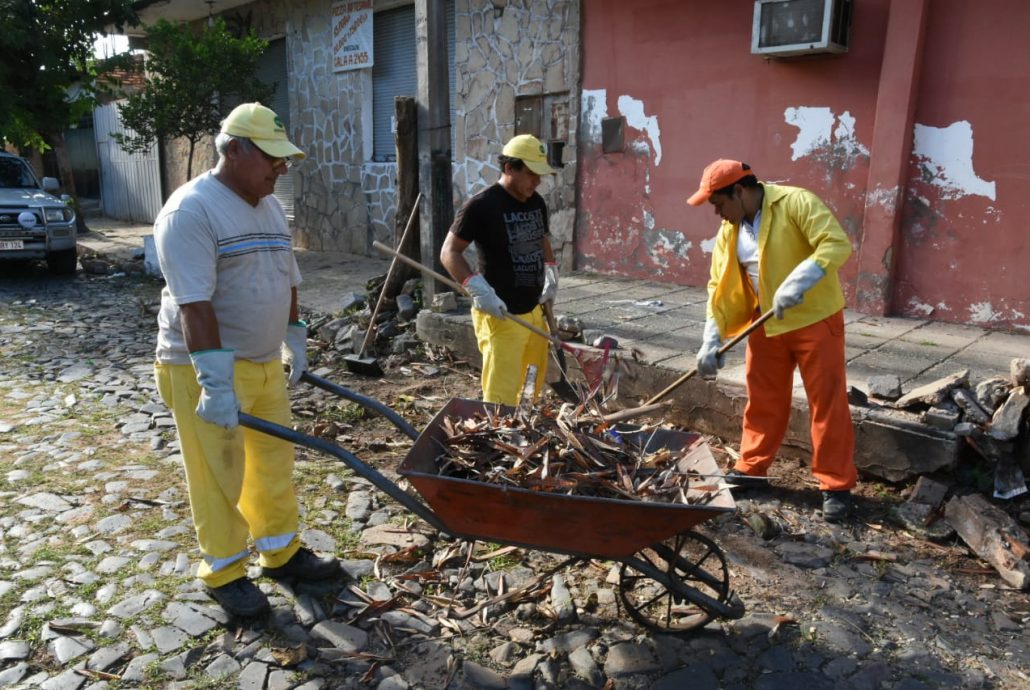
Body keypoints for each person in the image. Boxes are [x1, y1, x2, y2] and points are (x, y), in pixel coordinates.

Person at [153, 102, 340, 617]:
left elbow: (287, 277)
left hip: (261, 361)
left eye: (284, 159)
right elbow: (194, 305)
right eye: (271, 157)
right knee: (219, 473)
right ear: (234, 150)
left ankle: (280, 552)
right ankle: (224, 571)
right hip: (202, 365)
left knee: (273, 461)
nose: (280, 168)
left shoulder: (269, 205)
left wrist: (294, 336)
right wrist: (215, 385)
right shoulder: (191, 212)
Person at [687, 159, 857, 522]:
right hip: (764, 322)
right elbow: (718, 285)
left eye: (719, 204)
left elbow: (835, 243)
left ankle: (836, 485)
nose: (718, 214)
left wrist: (801, 279)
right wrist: (711, 338)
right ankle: (752, 469)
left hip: (815, 319)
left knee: (826, 404)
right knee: (763, 399)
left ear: (739, 191)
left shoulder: (797, 202)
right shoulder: (730, 230)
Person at [440, 134, 559, 405]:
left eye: (539, 175)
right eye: (531, 174)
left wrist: (551, 272)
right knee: (501, 394)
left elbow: (541, 238)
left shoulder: (536, 202)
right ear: (509, 168)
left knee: (531, 380)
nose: (537, 181)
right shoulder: (481, 206)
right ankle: (499, 428)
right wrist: (476, 288)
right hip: (501, 314)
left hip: (535, 311)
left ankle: (525, 420)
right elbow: (449, 252)